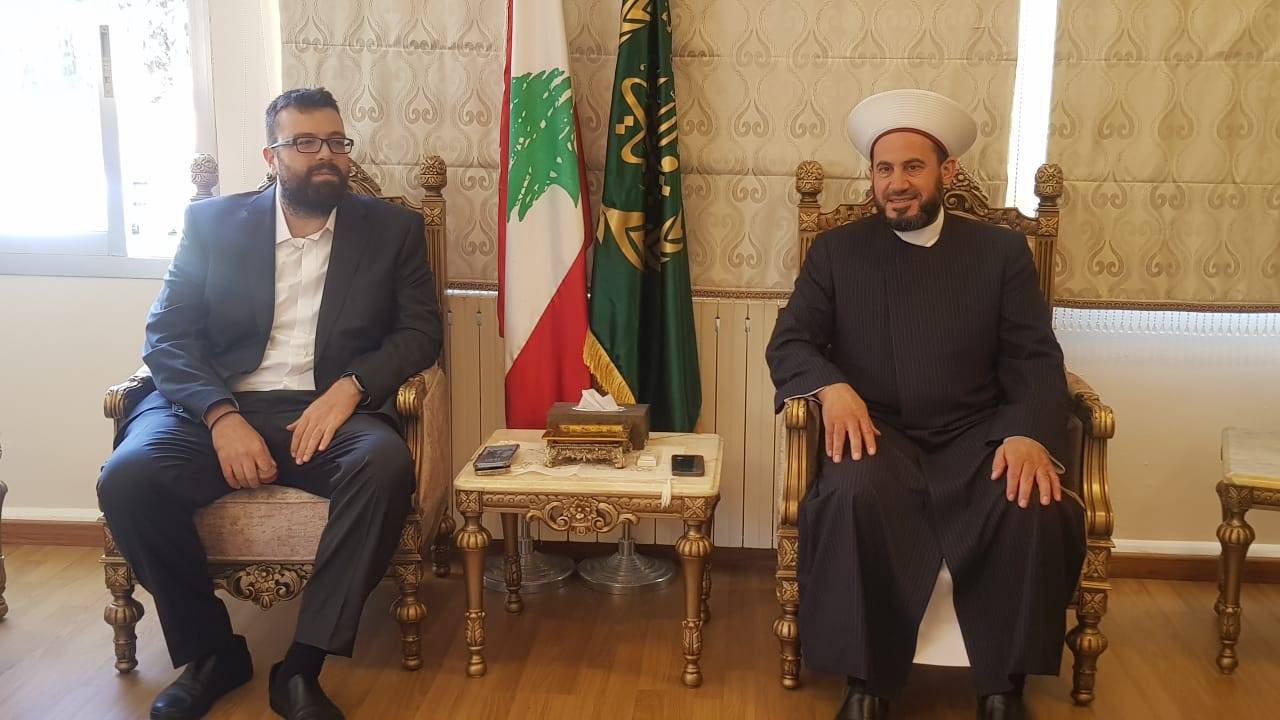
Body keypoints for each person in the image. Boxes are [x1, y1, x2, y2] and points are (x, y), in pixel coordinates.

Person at [97, 87, 443, 720]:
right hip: (217, 407)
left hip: (326, 409)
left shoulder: (392, 230)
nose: (326, 155)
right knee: (127, 478)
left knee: (384, 466)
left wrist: (351, 387)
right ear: (271, 156)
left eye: (336, 142)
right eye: (305, 142)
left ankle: (303, 666)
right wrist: (220, 415)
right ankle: (213, 654)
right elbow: (167, 335)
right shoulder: (213, 225)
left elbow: (421, 333)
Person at [766, 89, 1084, 720]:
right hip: (878, 436)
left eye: (913, 167)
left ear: (948, 172)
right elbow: (791, 341)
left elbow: (1034, 358)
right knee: (852, 494)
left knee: (1030, 499)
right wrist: (831, 387)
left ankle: (1003, 688)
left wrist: (1026, 432)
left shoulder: (1000, 253)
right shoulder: (837, 252)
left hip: (978, 437)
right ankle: (866, 684)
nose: (897, 184)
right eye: (884, 169)